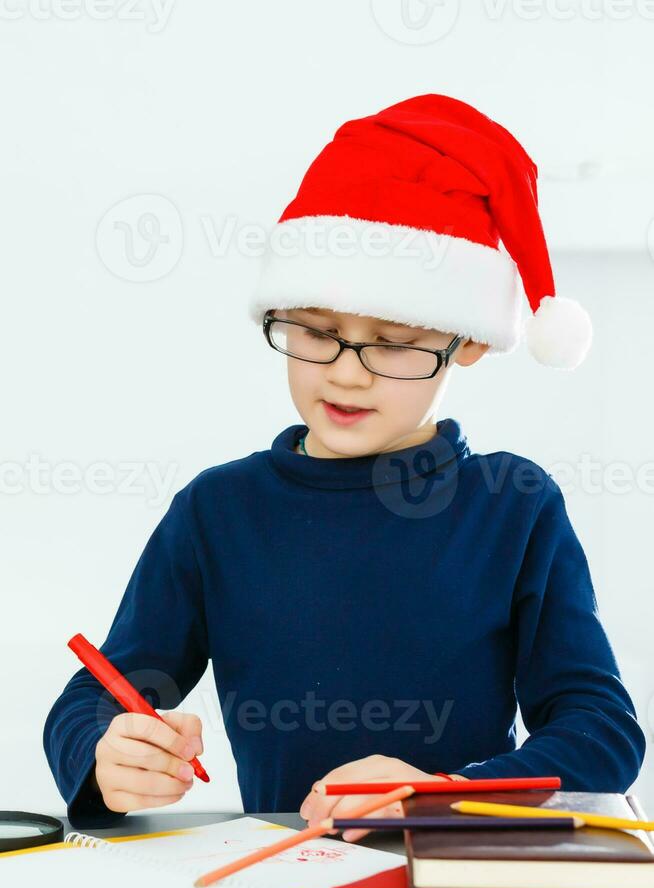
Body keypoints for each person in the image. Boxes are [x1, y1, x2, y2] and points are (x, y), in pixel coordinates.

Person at [43, 94, 645, 836]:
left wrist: (445, 793)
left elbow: (601, 730)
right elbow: (92, 697)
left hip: (456, 881)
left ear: (471, 341)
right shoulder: (217, 512)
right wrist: (105, 752)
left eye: (393, 341)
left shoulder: (513, 505)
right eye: (317, 331)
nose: (347, 374)